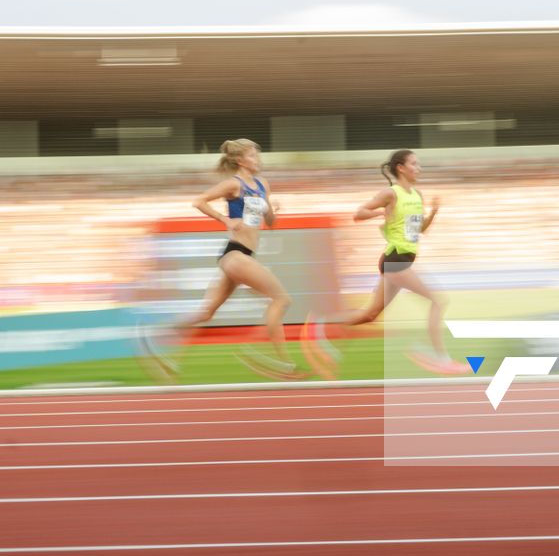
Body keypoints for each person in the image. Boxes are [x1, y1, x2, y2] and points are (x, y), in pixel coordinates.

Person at [141, 139, 302, 381]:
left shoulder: (262, 185)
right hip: (235, 254)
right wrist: (225, 220)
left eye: (258, 156)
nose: (258, 160)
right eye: (253, 156)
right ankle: (283, 363)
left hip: (241, 257)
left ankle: (157, 342)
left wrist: (272, 209)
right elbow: (199, 201)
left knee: (206, 314)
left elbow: (270, 224)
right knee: (282, 299)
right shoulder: (232, 185)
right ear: (240, 160)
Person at [304, 149, 468, 377]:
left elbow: (420, 230)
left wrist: (434, 213)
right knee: (438, 301)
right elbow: (359, 213)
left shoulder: (417, 195)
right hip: (396, 261)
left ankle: (319, 324)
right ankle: (440, 358)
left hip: (401, 260)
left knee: (369, 315)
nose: (419, 168)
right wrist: (380, 214)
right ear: (401, 168)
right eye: (414, 164)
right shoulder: (391, 193)